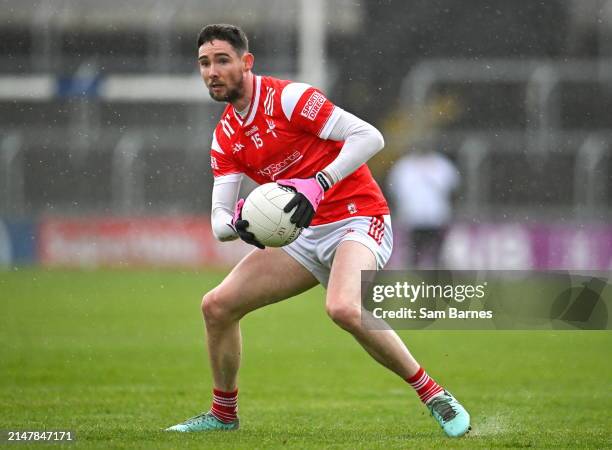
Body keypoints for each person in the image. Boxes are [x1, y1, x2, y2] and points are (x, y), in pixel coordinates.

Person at [166, 24, 470, 437]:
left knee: (342, 308)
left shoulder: (289, 99)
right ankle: (223, 415)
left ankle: (434, 394)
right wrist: (240, 225)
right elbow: (218, 219)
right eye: (205, 63)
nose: (212, 71)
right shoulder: (225, 137)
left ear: (246, 62)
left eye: (222, 60)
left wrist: (318, 183)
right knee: (216, 306)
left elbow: (370, 136)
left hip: (358, 218)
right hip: (303, 237)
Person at [387, 147, 460, 269]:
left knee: (436, 251)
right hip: (414, 216)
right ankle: (418, 275)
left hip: (436, 216)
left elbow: (453, 190)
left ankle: (431, 275)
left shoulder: (441, 164)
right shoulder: (404, 166)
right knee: (415, 251)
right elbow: (394, 190)